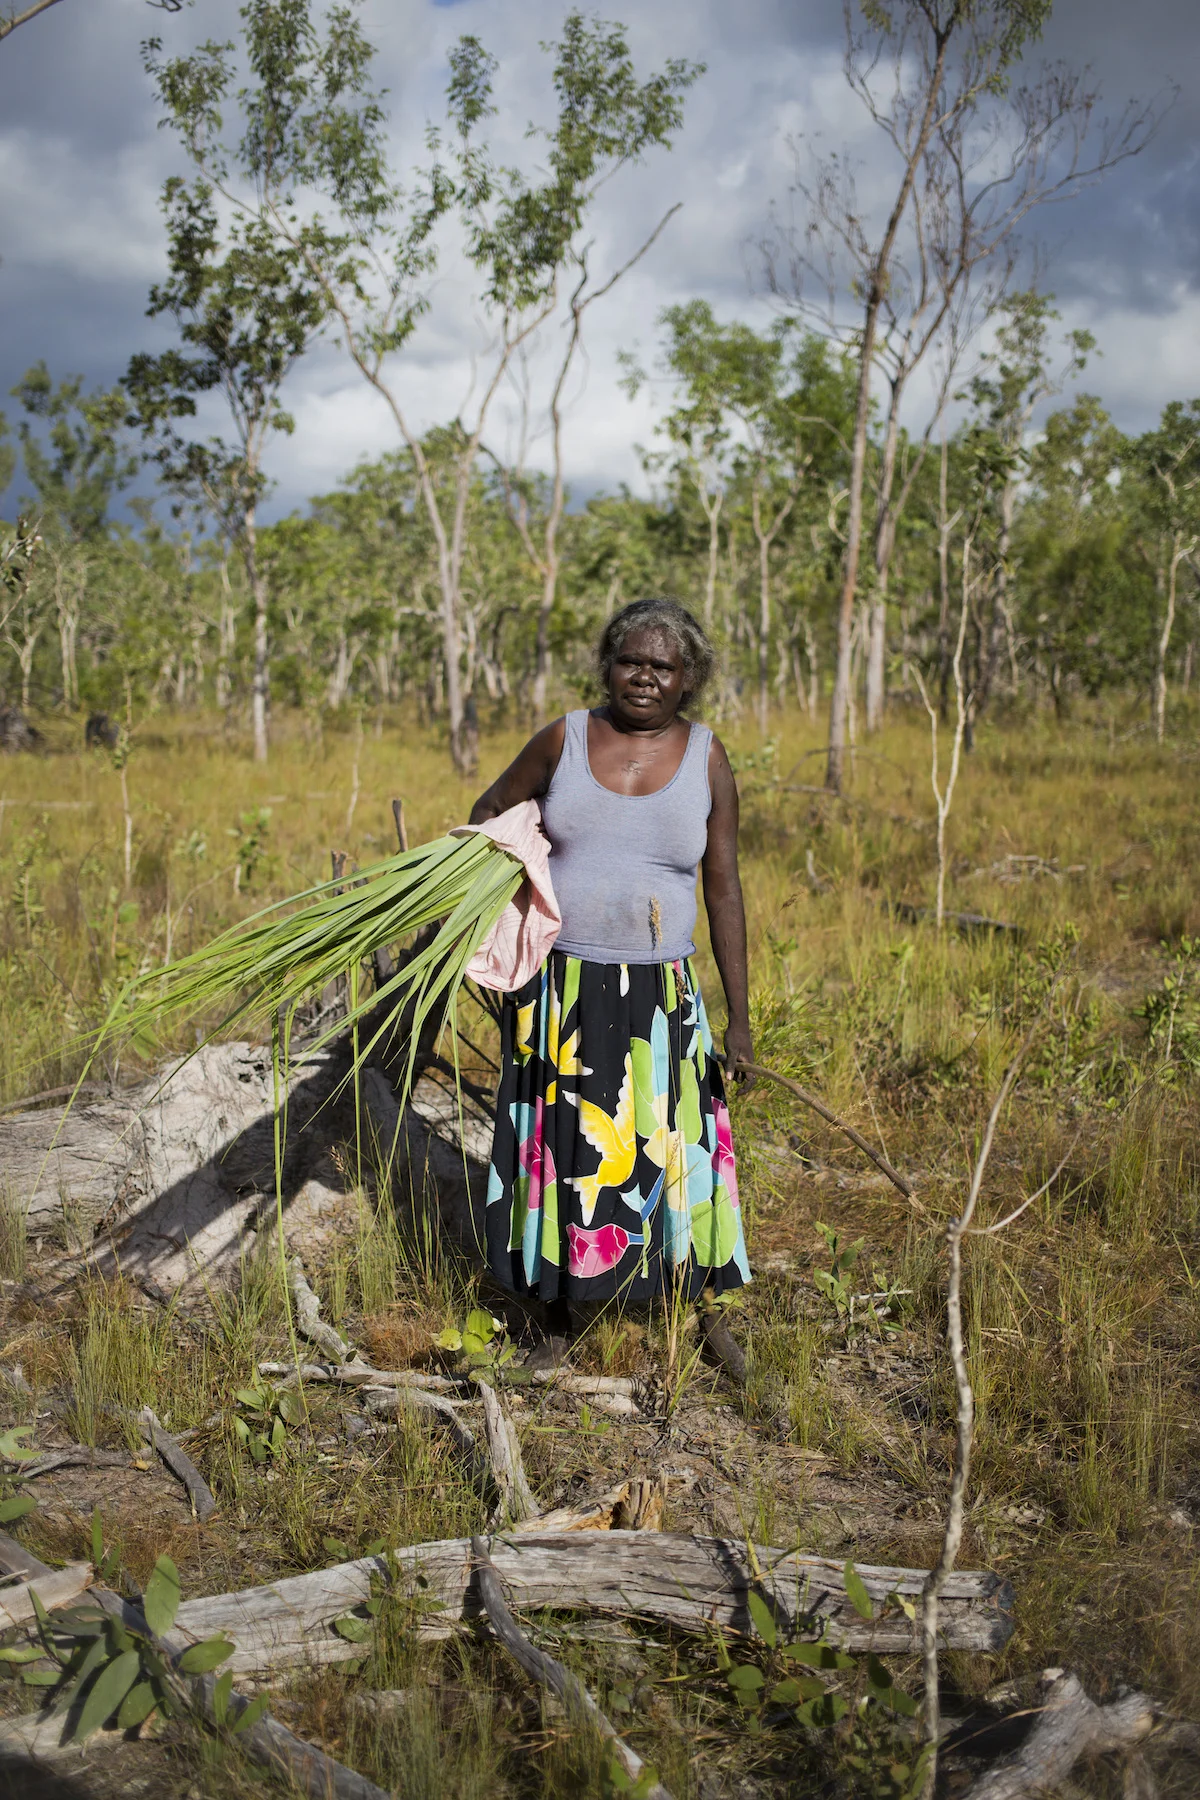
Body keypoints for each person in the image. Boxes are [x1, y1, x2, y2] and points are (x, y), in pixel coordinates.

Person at [468, 598, 752, 1341]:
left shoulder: (707, 757)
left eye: (663, 666)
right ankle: (558, 1316)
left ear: (688, 679)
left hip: (661, 994)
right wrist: (497, 923)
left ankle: (698, 1304)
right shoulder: (563, 738)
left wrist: (741, 1020)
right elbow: (490, 816)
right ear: (608, 664)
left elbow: (723, 888)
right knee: (565, 1151)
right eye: (631, 660)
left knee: (676, 1147)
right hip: (559, 987)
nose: (645, 677)